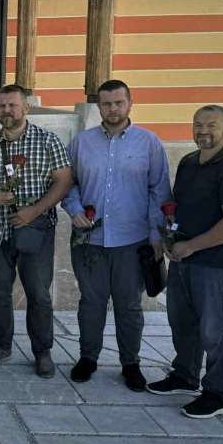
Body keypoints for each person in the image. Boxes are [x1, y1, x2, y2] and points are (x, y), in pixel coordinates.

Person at [62, 80, 171, 392]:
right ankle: (88, 358)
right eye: (107, 104)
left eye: (118, 103)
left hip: (132, 241)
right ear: (99, 106)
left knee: (129, 306)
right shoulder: (81, 143)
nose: (113, 109)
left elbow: (159, 191)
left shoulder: (149, 143)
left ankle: (130, 363)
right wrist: (74, 208)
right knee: (91, 303)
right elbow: (67, 183)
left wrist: (156, 235)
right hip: (89, 241)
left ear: (130, 103)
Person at [147, 105, 223, 419]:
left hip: (217, 262)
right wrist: (171, 239)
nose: (203, 131)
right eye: (198, 124)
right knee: (182, 322)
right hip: (184, 258)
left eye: (212, 125)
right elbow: (179, 206)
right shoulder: (189, 162)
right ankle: (185, 375)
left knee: (215, 330)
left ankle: (217, 393)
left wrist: (192, 246)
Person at [0, 84, 72, 378]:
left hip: (35, 232)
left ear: (26, 107)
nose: (6, 111)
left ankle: (42, 352)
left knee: (39, 295)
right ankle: (1, 346)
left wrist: (35, 210)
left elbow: (64, 181)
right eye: (1, 106)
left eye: (12, 105)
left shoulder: (47, 140)